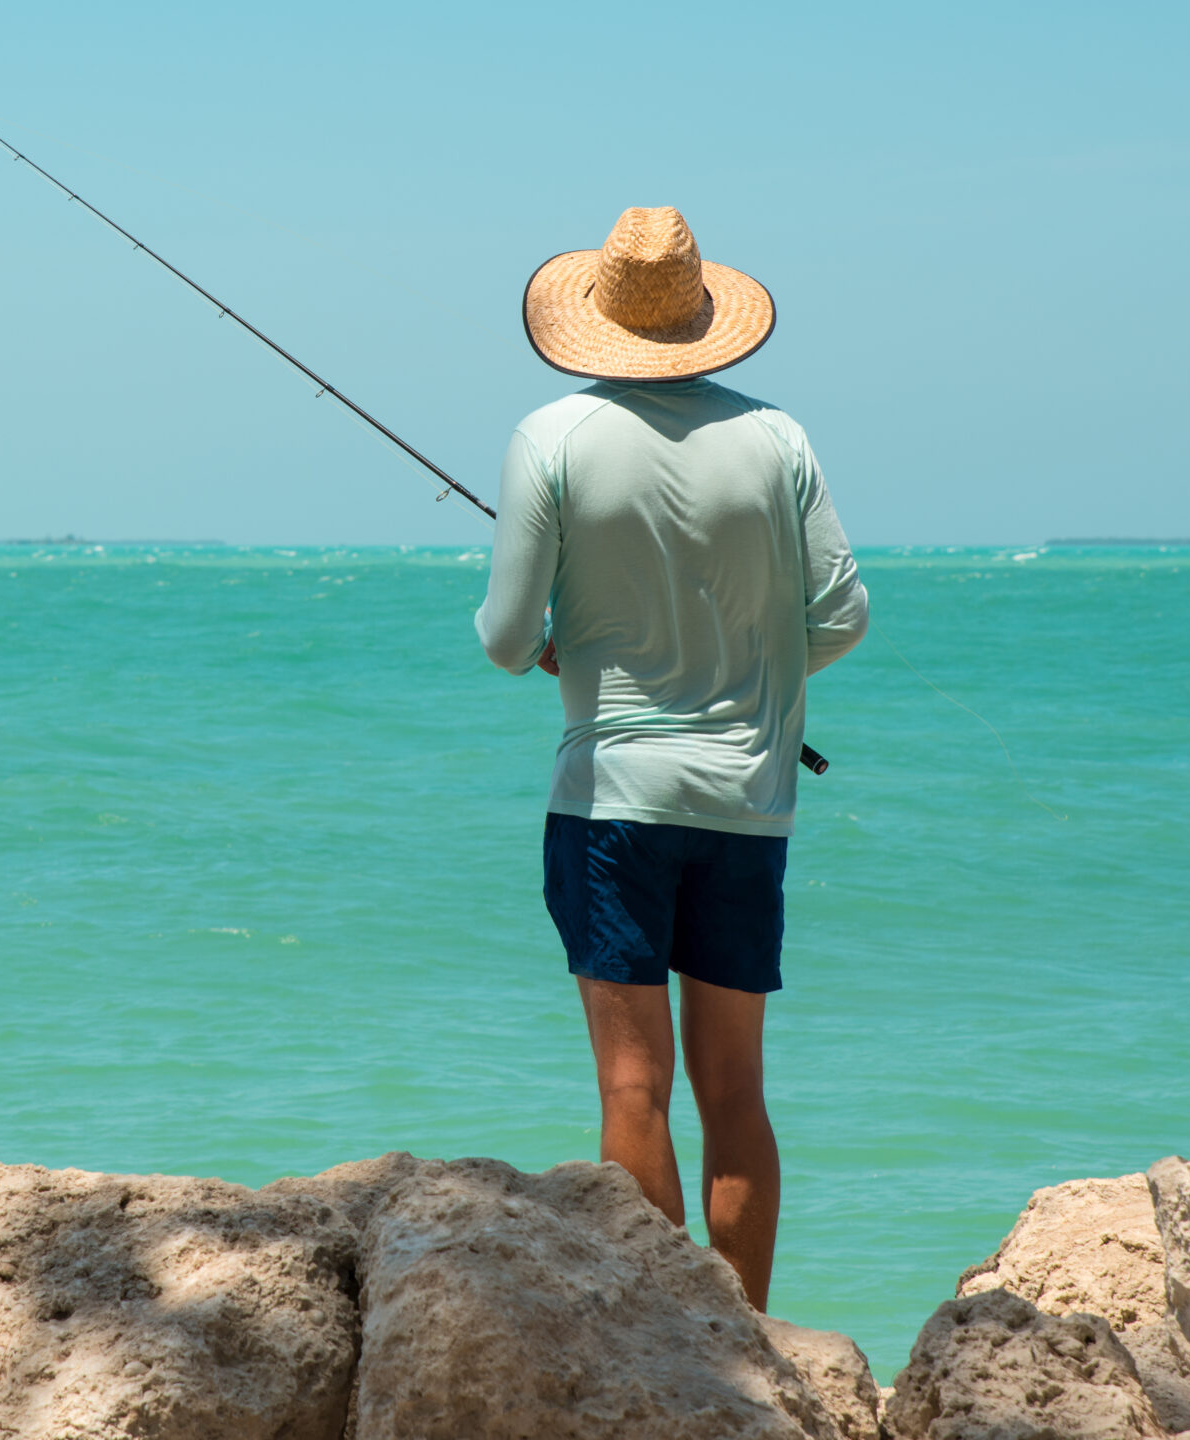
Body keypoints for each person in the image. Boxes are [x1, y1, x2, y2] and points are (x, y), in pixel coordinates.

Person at [475, 206, 869, 1311]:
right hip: (750, 802)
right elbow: (840, 617)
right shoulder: (777, 436)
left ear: (595, 318)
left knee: (632, 1085)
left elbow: (506, 639)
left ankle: (666, 1343)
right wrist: (751, 684)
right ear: (703, 316)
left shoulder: (549, 436)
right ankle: (747, 1341)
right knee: (735, 1091)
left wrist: (561, 651)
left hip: (611, 802)